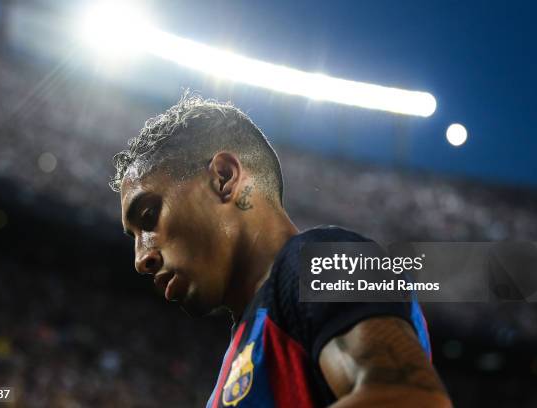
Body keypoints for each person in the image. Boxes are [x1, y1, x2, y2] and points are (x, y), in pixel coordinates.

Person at [111, 94, 451, 407]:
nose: (142, 259)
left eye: (149, 217)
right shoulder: (243, 348)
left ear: (224, 178)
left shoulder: (327, 262)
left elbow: (413, 399)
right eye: (135, 236)